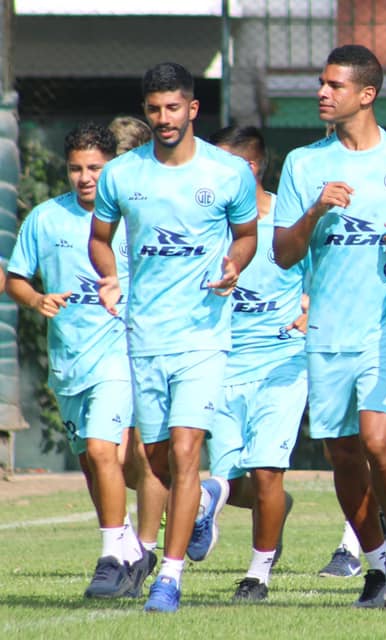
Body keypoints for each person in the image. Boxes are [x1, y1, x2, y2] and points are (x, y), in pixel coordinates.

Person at [273, 44, 386, 609]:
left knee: (379, 440)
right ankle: (375, 564)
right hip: (327, 330)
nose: (322, 93)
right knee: (344, 454)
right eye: (321, 83)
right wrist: (315, 212)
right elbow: (281, 253)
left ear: (366, 94)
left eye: (334, 85)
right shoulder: (304, 164)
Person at [90, 62, 258, 613]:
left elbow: (247, 235)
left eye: (173, 108)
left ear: (192, 109)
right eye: (154, 109)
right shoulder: (122, 175)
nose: (164, 118)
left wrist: (234, 263)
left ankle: (171, 574)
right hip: (145, 336)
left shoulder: (228, 172)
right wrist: (109, 276)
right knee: (155, 461)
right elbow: (100, 237)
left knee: (189, 451)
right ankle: (182, 525)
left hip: (205, 335)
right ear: (147, 111)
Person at [6, 123, 154, 599]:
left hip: (121, 354)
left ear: (112, 168)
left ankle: (111, 555)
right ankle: (130, 550)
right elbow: (16, 278)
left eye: (95, 167)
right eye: (76, 168)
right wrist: (36, 301)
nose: (85, 177)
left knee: (99, 450)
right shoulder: (46, 219)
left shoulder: (135, 218)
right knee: (94, 465)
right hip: (69, 362)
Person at [206, 125, 303, 601]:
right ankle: (273, 507)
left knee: (267, 469)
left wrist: (308, 310)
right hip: (220, 363)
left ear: (249, 169)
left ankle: (258, 574)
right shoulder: (205, 224)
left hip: (282, 363)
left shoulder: (289, 219)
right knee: (227, 481)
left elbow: (324, 274)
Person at [105, 113, 169, 556]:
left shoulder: (159, 206)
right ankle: (195, 498)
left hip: (151, 336)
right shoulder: (100, 211)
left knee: (146, 452)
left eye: (125, 157)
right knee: (111, 454)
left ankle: (139, 547)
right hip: (105, 341)